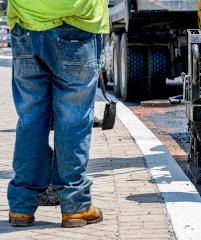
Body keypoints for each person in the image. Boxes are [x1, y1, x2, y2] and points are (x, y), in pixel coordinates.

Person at [7, 0, 108, 227]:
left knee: (30, 118)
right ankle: (75, 206)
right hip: (77, 25)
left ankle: (21, 206)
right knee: (74, 117)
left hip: (26, 27)